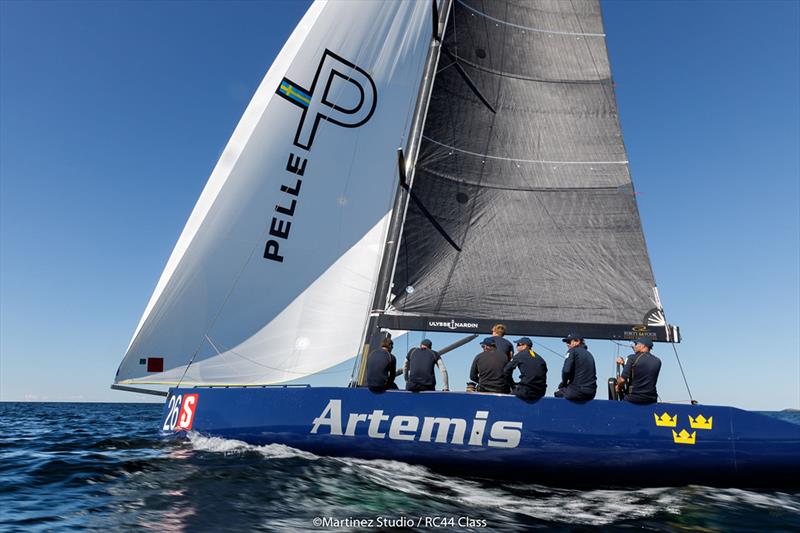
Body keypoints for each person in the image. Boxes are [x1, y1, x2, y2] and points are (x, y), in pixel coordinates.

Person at [615, 338, 661, 404]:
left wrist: (618, 386)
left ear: (643, 346)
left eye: (636, 344)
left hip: (633, 398)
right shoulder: (658, 361)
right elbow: (641, 373)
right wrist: (623, 364)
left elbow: (622, 380)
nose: (634, 346)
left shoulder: (631, 358)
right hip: (651, 399)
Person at [554, 333, 597, 401]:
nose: (567, 344)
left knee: (557, 393)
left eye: (569, 342)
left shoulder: (572, 351)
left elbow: (566, 371)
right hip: (591, 393)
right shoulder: (589, 354)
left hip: (577, 392)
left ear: (577, 341)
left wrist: (564, 384)